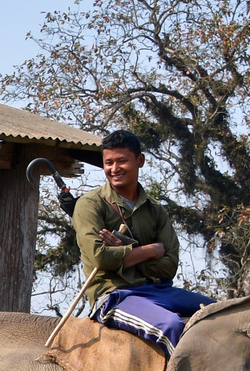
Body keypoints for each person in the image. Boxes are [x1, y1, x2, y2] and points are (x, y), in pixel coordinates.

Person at [71, 130, 214, 354]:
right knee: (171, 326)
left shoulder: (156, 210)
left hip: (160, 290)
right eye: (108, 162)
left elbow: (169, 266)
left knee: (220, 312)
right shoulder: (89, 205)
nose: (114, 169)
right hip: (114, 295)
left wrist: (124, 254)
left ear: (140, 161)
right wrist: (149, 250)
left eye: (121, 161)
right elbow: (100, 257)